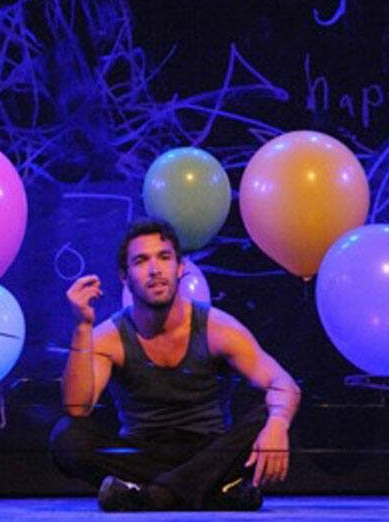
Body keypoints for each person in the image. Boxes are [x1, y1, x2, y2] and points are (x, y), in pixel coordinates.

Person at [49, 217, 301, 511]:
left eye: (164, 257)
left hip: (209, 449)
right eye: (141, 261)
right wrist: (82, 326)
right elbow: (77, 408)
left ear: (181, 268)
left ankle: (152, 495)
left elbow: (284, 384)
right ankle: (213, 491)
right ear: (125, 276)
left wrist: (277, 424)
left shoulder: (216, 327)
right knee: (67, 437)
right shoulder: (110, 336)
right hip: (141, 453)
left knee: (269, 415)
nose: (155, 270)